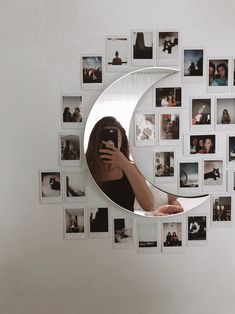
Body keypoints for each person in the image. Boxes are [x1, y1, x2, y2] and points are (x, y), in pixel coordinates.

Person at [86, 116, 183, 214]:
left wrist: (126, 165)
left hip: (126, 227)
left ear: (121, 142)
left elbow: (149, 206)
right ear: (96, 141)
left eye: (116, 139)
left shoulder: (132, 167)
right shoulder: (88, 167)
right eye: (105, 138)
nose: (110, 143)